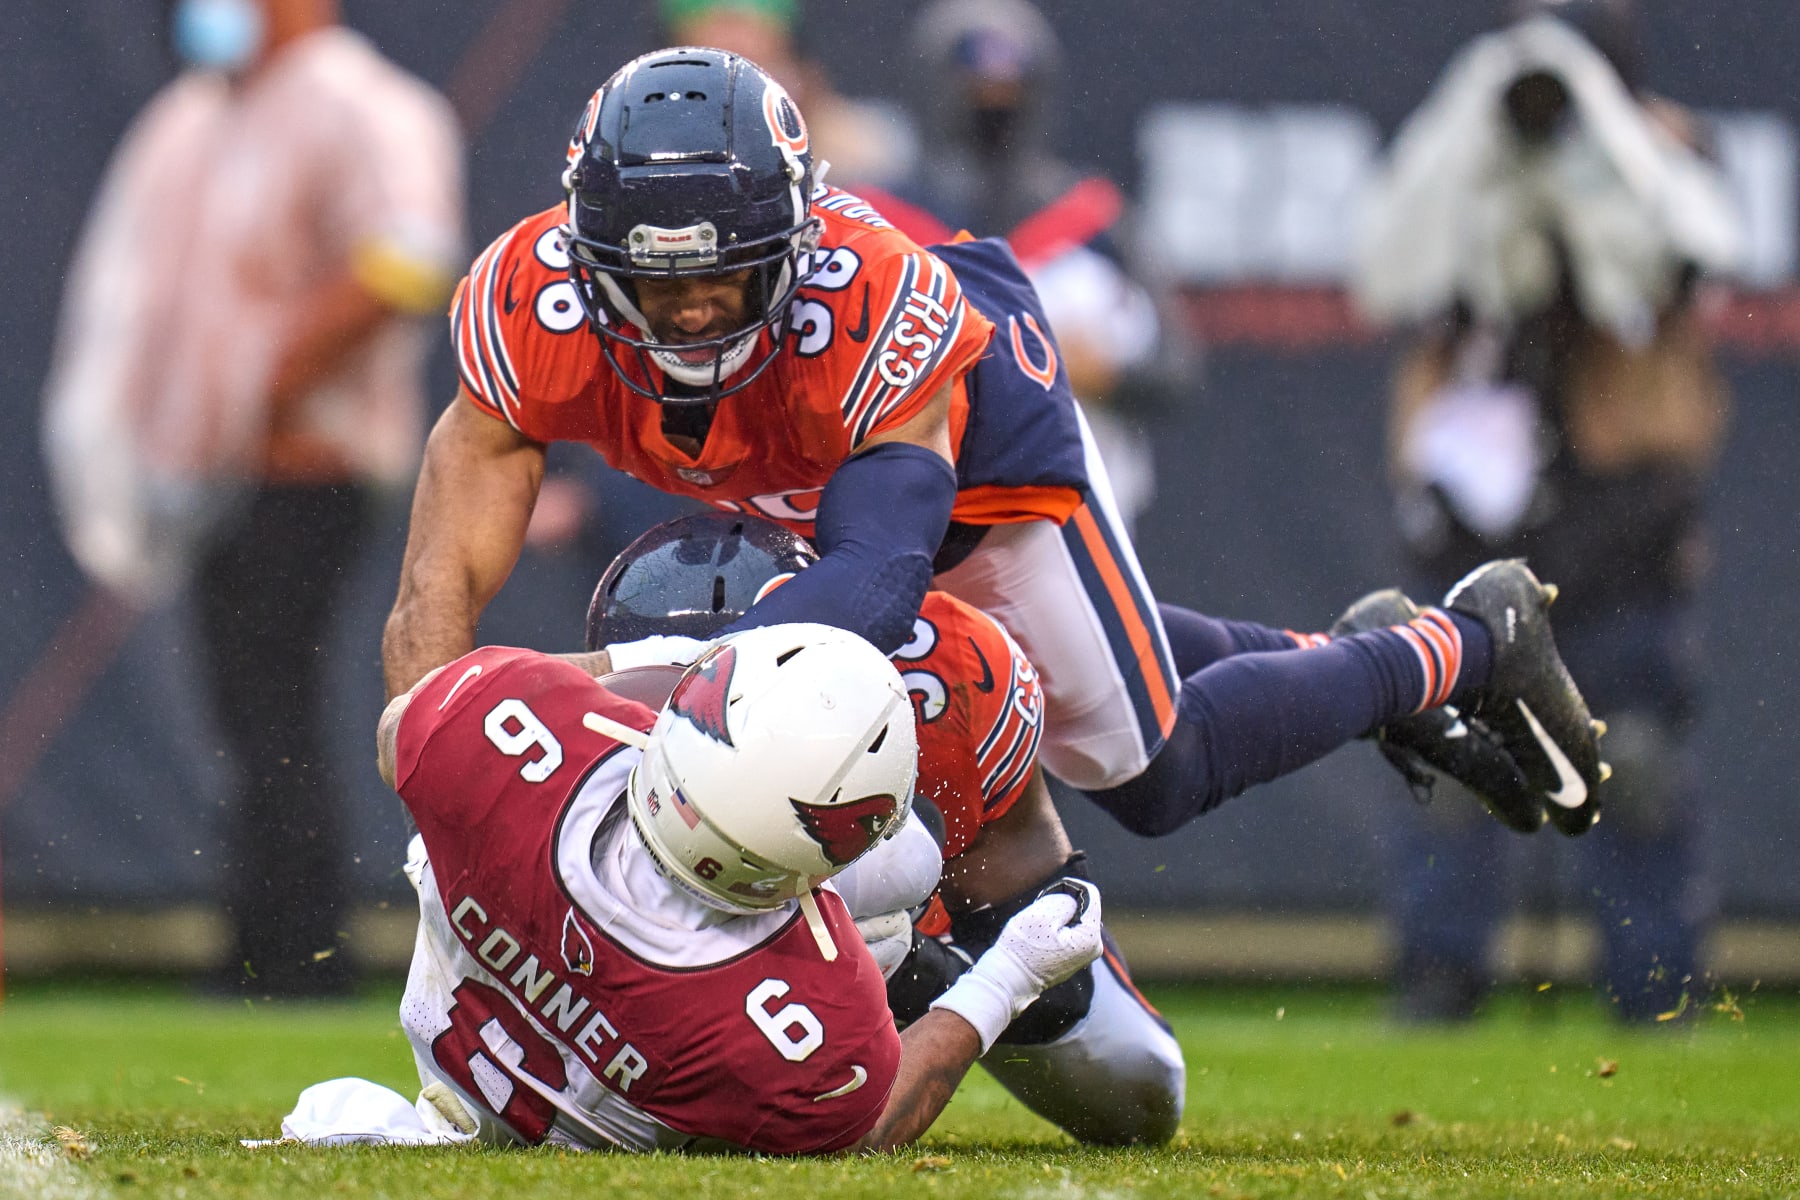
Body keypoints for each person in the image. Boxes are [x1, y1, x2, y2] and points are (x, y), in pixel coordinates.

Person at [381, 45, 1605, 851]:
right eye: (660, 284)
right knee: (1084, 661)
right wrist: (444, 785)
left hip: (974, 479)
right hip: (813, 492)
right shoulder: (524, 310)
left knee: (1148, 771)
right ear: (587, 264)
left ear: (794, 251)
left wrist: (617, 691)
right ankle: (1340, 650)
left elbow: (871, 584)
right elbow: (439, 588)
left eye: (727, 275)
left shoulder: (868, 306)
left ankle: (1461, 643)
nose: (696, 310)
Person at [269, 622, 1103, 1153]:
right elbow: (867, 1121)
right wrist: (1010, 975)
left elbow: (400, 731)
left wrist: (639, 666)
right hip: (628, 1090)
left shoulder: (512, 733)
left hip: (455, 1047)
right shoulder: (810, 1023)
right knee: (910, 871)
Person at [42, 0, 465, 996]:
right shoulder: (208, 112)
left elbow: (406, 256)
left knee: (278, 707)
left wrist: (269, 378)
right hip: (218, 473)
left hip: (308, 466)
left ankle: (300, 948)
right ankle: (262, 928)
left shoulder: (358, 102)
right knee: (243, 712)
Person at [1350, 0, 1740, 1021]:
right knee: (1449, 751)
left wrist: (1602, 155)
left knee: (1637, 760)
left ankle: (1657, 986)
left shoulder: (1662, 167)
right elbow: (1393, 278)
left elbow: (1685, 261)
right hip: (1479, 519)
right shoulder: (1456, 162)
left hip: (1624, 513)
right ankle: (1439, 977)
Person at [585, 512, 1184, 1145]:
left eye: (701, 695)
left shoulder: (947, 684)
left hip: (903, 949)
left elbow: (1057, 986)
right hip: (656, 935)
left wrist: (925, 973)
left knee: (1139, 1082)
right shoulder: (563, 731)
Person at [879, 0, 1166, 530]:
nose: (993, 108)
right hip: (918, 501)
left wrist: (1108, 372)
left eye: (1008, 93)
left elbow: (1174, 368)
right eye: (977, 92)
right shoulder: (879, 222)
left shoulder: (1090, 217)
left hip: (1077, 506)